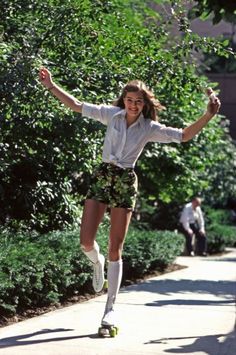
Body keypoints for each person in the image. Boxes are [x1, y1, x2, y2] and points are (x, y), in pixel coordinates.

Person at [39, 68, 220, 329]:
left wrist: (208, 115)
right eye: (129, 100)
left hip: (125, 181)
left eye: (138, 101)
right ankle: (96, 262)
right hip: (103, 176)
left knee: (116, 247)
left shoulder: (149, 128)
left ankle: (110, 309)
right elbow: (77, 105)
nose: (133, 105)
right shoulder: (111, 115)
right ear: (123, 100)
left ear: (145, 104)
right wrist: (51, 86)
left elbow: (183, 135)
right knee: (86, 242)